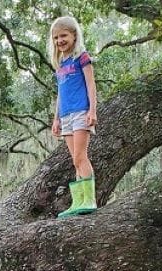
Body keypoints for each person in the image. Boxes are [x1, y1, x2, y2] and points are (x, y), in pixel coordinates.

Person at [49, 15, 98, 218]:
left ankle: (90, 200)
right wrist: (56, 118)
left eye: (64, 36)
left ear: (74, 36)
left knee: (80, 157)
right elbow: (60, 93)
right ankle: (78, 202)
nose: (60, 40)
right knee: (74, 161)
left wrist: (93, 110)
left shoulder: (82, 57)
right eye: (56, 37)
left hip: (81, 112)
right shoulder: (60, 64)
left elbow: (90, 84)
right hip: (66, 116)